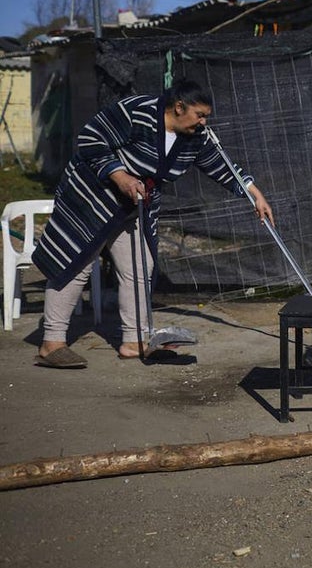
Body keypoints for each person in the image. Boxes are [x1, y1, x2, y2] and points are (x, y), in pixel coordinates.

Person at [32, 79, 274, 366]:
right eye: (200, 115)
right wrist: (119, 175)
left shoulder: (195, 136)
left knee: (139, 267)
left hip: (135, 205)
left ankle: (135, 342)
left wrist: (254, 194)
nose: (204, 122)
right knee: (77, 262)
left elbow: (220, 165)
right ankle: (52, 343)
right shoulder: (137, 112)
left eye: (206, 116)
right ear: (179, 107)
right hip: (91, 197)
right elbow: (91, 138)